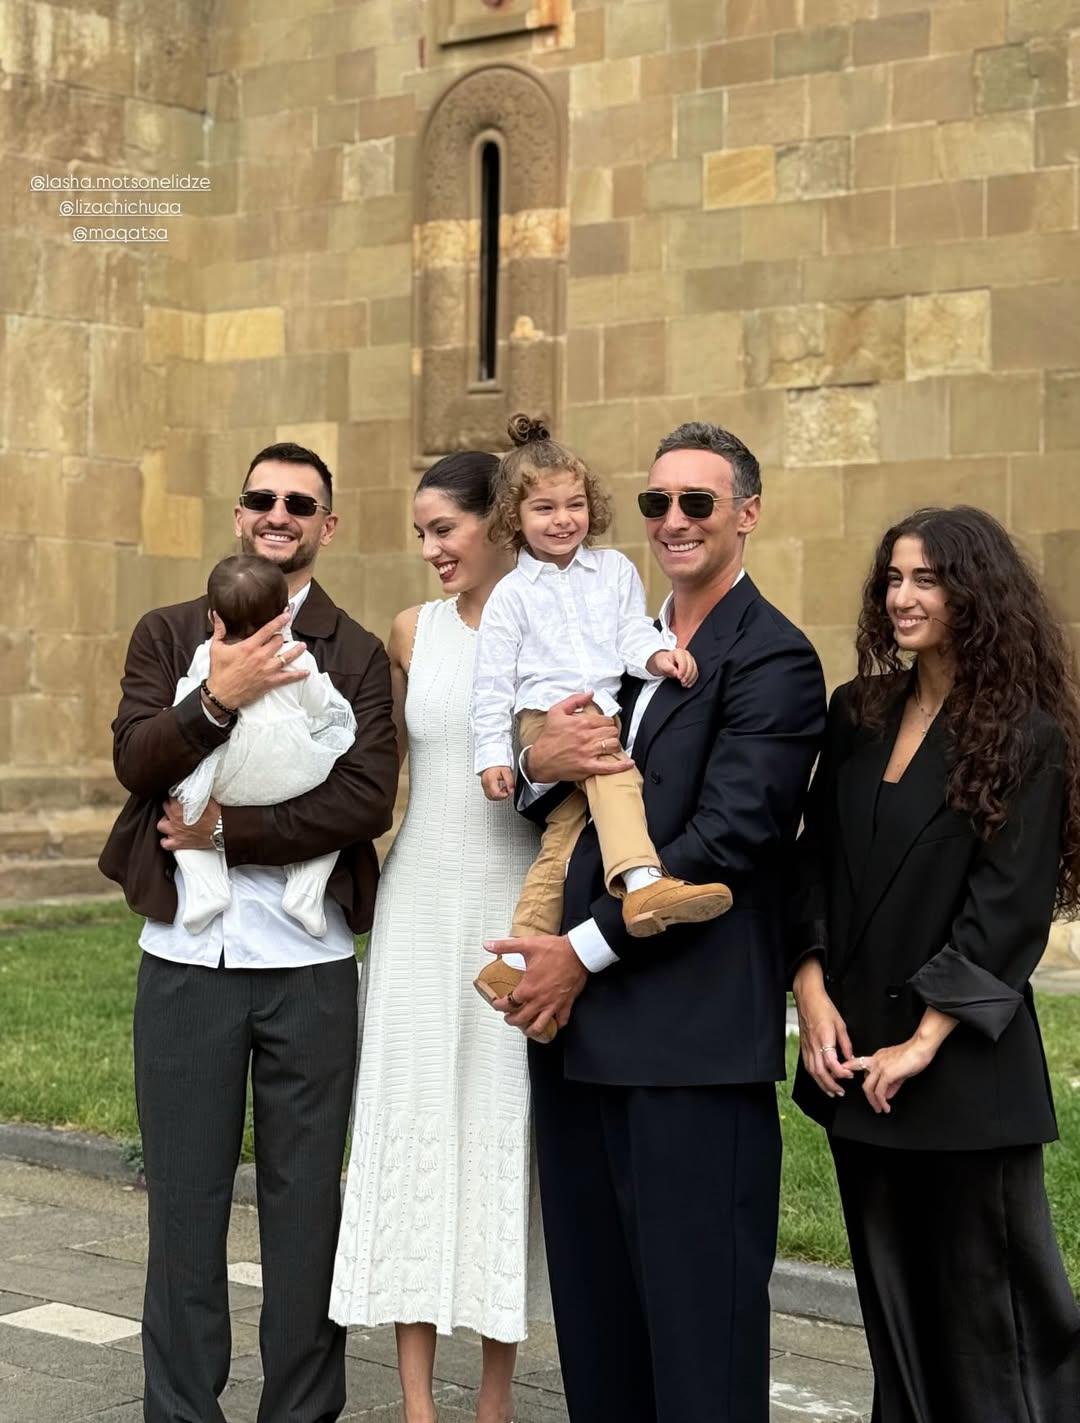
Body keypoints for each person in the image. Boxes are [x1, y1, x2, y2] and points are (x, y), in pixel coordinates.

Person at [488, 421, 827, 1423]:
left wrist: (579, 951)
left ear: (747, 514)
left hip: (687, 1048)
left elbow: (729, 834)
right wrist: (536, 762)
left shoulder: (772, 656)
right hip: (577, 1043)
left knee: (698, 1347)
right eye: (656, 502)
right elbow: (561, 789)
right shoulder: (619, 637)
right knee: (599, 1342)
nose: (673, 520)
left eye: (697, 502)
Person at [99, 440, 398, 1423]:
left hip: (311, 966)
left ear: (327, 525)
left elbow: (364, 795)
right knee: (184, 1204)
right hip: (187, 960)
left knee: (306, 1206)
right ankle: (182, 1410)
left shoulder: (355, 651)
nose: (279, 513)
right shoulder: (168, 631)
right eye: (262, 498)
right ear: (239, 515)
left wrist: (229, 830)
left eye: (300, 503)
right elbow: (138, 760)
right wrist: (216, 698)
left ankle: (301, 1412)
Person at [789, 505, 1080, 1422]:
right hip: (854, 1064)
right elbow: (813, 860)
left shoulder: (1027, 733)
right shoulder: (858, 710)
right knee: (897, 1323)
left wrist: (922, 1041)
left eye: (929, 579)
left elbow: (1007, 907)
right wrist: (810, 992)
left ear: (976, 593)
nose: (904, 597)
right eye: (895, 578)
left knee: (996, 1330)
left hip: (961, 1074)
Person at [329, 451, 544, 1423]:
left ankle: (494, 1403)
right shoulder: (411, 629)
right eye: (420, 531)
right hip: (417, 901)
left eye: (443, 528)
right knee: (411, 1121)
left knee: (503, 1124)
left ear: (496, 521)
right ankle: (417, 1405)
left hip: (513, 896)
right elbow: (370, 763)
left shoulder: (551, 621)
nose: (429, 548)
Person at [472, 415, 731, 1028]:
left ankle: (512, 962)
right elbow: (490, 685)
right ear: (514, 517)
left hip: (604, 708)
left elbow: (629, 633)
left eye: (575, 505)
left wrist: (657, 655)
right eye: (544, 509)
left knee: (562, 840)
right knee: (618, 777)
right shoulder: (510, 595)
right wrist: (493, 757)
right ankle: (641, 883)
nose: (563, 520)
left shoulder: (614, 570)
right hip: (547, 717)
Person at [170, 554, 356, 938]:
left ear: (214, 618)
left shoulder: (207, 655)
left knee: (182, 806)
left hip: (226, 779)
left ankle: (206, 889)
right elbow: (319, 704)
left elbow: (184, 706)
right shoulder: (296, 656)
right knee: (330, 820)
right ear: (284, 615)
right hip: (293, 776)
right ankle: (306, 891)